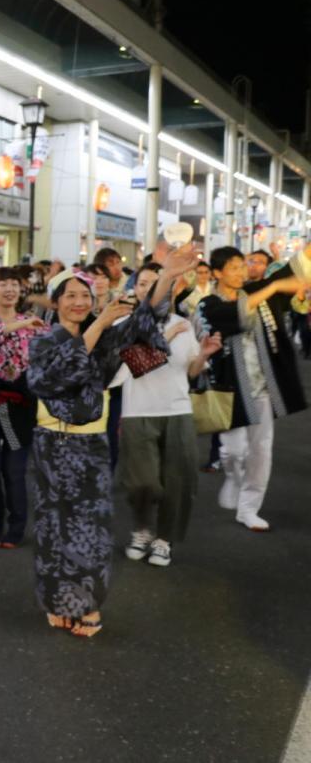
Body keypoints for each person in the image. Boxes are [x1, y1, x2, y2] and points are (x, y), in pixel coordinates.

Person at [26, 247, 195, 638]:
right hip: (51, 445)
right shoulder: (42, 341)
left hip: (90, 448)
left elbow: (143, 320)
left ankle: (86, 605)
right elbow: (47, 380)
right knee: (54, 528)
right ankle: (57, 600)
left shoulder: (106, 336)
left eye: (86, 295)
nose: (79, 301)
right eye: (70, 295)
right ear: (55, 302)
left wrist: (166, 277)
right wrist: (99, 323)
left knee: (90, 530)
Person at [197, 245, 311, 531]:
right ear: (217, 273)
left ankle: (249, 508)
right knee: (233, 451)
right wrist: (272, 289)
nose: (240, 272)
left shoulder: (258, 291)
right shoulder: (209, 303)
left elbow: (297, 266)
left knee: (261, 449)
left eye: (242, 266)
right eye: (233, 267)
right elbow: (235, 315)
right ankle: (234, 478)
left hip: (262, 385)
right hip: (230, 389)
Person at [115, 263, 222, 567]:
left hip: (177, 409)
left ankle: (164, 539)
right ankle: (141, 529)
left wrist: (202, 355)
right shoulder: (125, 323)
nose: (149, 289)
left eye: (157, 283)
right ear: (134, 290)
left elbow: (191, 371)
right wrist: (168, 335)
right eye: (143, 284)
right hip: (137, 411)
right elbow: (133, 363)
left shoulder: (184, 324)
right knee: (141, 482)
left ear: (171, 288)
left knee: (179, 481)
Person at [0, 267, 48, 548]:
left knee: (14, 471)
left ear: (21, 290)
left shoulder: (35, 325)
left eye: (14, 284)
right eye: (2, 284)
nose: (9, 289)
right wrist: (25, 324)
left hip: (19, 408)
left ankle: (16, 526)